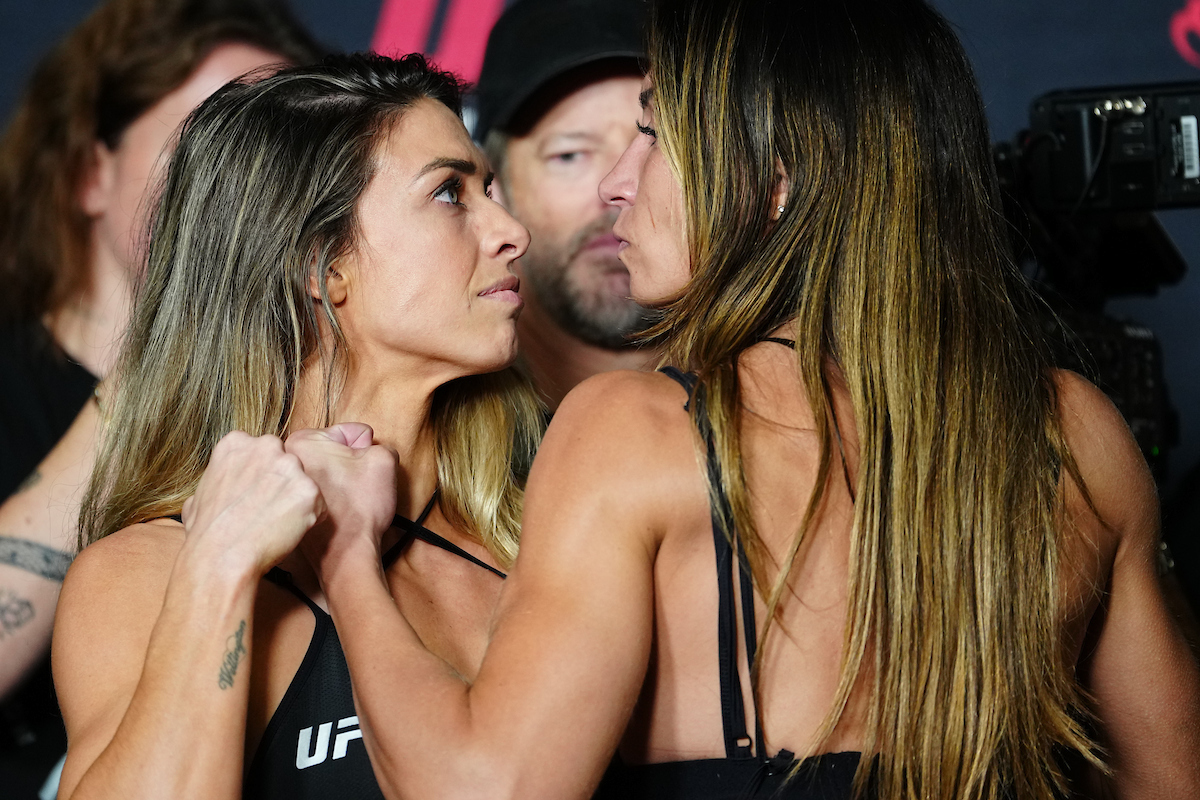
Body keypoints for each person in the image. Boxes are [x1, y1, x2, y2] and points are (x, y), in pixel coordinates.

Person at [272, 1, 1200, 798]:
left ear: (776, 181)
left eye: (654, 135)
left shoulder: (632, 432)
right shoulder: (1077, 431)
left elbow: (489, 789)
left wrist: (348, 559)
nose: (617, 185)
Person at [50, 52, 542, 799]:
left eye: (490, 189)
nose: (512, 231)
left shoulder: (544, 519)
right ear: (321, 265)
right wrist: (222, 565)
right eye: (449, 192)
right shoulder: (150, 573)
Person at [0, 0, 319, 793]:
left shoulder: (302, 399)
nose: (249, 184)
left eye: (283, 152)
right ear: (92, 175)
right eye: (208, 139)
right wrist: (156, 364)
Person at [474, 0, 655, 410]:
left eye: (657, 144)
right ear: (492, 186)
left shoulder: (788, 419)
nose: (617, 187)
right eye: (570, 155)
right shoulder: (431, 441)